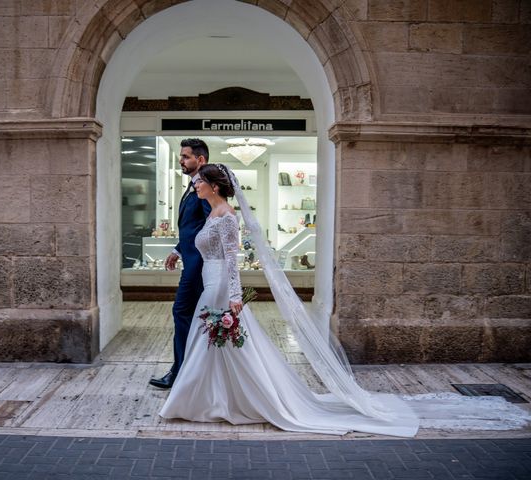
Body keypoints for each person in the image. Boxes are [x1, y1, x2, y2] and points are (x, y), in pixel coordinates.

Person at [160, 163, 530, 436]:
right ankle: (213, 398)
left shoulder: (226, 218)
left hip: (221, 286)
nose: (194, 187)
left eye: (197, 183)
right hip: (210, 284)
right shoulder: (212, 213)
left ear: (212, 185)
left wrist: (236, 297)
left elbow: (234, 261)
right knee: (214, 345)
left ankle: (223, 399)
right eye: (194, 184)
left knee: (224, 343)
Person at [149, 139, 212, 389]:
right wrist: (178, 248)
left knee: (182, 312)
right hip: (192, 260)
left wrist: (195, 258)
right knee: (195, 316)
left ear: (201, 160)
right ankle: (192, 370)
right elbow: (192, 226)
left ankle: (180, 372)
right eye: (181, 157)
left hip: (199, 266)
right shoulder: (192, 186)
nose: (181, 161)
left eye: (186, 157)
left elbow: (212, 225)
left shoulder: (205, 188)